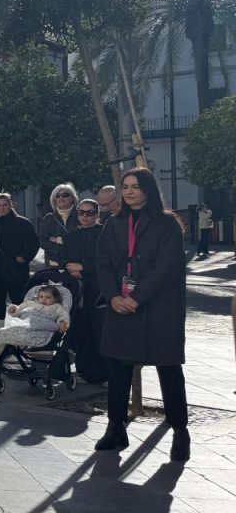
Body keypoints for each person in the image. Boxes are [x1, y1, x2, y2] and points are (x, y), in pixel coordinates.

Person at [94, 167, 189, 461]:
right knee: (117, 368)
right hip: (120, 306)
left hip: (159, 309)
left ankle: (180, 431)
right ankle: (115, 427)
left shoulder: (167, 224)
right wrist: (113, 296)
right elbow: (103, 263)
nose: (129, 192)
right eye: (125, 187)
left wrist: (136, 298)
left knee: (168, 368)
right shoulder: (114, 223)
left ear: (148, 189)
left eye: (135, 186)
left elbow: (167, 268)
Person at [59, 198, 108, 383]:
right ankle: (85, 371)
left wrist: (84, 267)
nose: (85, 216)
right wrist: (69, 266)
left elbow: (108, 260)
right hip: (77, 288)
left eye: (90, 213)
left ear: (97, 214)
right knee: (81, 329)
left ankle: (105, 373)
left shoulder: (104, 233)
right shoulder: (72, 235)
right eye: (82, 212)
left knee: (99, 329)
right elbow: (63, 256)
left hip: (98, 288)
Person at [0, 192, 39, 329]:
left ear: (11, 205)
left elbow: (33, 243)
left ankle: (21, 328)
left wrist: (24, 258)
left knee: (19, 299)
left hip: (16, 269)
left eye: (5, 205)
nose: (2, 208)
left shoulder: (23, 223)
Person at [36, 183, 79, 266]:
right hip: (54, 263)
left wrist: (58, 240)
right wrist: (61, 251)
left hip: (77, 263)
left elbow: (81, 240)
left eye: (65, 195)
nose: (60, 198)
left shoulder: (81, 216)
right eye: (57, 196)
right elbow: (42, 241)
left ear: (72, 198)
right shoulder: (48, 218)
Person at [6, 284, 70, 333]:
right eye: (41, 297)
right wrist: (14, 309)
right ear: (38, 297)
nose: (44, 299)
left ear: (55, 299)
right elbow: (20, 308)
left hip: (46, 323)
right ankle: (13, 329)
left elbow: (64, 315)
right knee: (17, 320)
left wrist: (62, 322)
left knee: (53, 326)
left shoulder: (56, 306)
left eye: (48, 297)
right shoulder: (31, 303)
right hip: (28, 319)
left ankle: (26, 328)